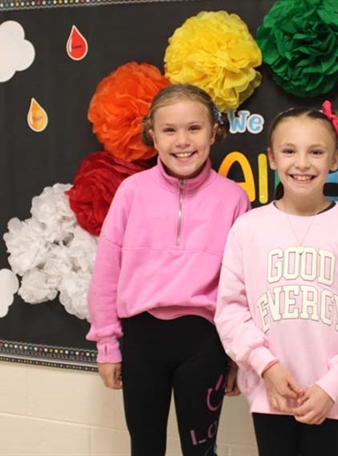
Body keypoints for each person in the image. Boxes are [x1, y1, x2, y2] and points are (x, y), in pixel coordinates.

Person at [214, 103, 338, 456]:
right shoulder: (248, 229)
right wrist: (267, 367)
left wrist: (333, 384)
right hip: (271, 388)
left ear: (334, 159)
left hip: (332, 394)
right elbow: (231, 310)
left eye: (316, 152)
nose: (302, 163)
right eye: (289, 151)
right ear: (271, 158)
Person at [86, 83, 250, 456]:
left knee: (202, 450)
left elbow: (242, 285)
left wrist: (237, 355)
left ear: (213, 132)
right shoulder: (131, 192)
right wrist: (108, 346)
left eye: (194, 128)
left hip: (205, 344)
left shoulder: (234, 198)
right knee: (144, 447)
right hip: (142, 342)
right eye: (169, 130)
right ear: (153, 136)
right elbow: (107, 272)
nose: (182, 140)